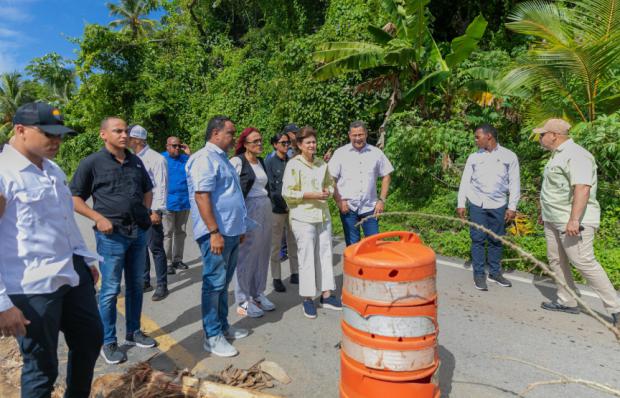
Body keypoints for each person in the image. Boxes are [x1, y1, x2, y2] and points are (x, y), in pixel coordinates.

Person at [0, 102, 103, 397]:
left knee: (89, 338)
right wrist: (2, 304)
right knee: (42, 367)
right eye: (48, 134)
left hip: (71, 273)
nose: (56, 141)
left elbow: (65, 220)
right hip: (32, 287)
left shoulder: (52, 169)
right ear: (20, 130)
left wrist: (84, 258)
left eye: (60, 135)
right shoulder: (5, 173)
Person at [71, 116, 157, 365]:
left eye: (125, 131)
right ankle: (108, 341)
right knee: (109, 290)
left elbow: (147, 189)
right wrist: (97, 217)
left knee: (135, 285)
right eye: (117, 131)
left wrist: (145, 210)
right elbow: (74, 198)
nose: (123, 135)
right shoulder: (92, 163)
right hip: (111, 237)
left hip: (138, 233)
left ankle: (133, 331)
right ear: (103, 135)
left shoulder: (135, 161)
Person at [535, 119, 619, 325]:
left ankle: (616, 308)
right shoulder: (557, 156)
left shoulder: (577, 155)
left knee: (583, 261)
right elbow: (555, 189)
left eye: (542, 134)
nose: (540, 138)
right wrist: (544, 213)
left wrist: (574, 219)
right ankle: (567, 300)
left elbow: (582, 188)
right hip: (553, 218)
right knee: (556, 260)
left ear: (554, 135)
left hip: (572, 220)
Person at [186, 115, 251, 357]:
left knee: (223, 284)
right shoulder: (204, 158)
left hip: (231, 232)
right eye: (230, 133)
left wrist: (239, 228)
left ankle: (223, 327)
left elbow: (230, 196)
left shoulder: (221, 158)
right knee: (213, 285)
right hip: (216, 234)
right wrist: (214, 232)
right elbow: (202, 196)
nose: (233, 137)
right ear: (215, 133)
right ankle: (212, 336)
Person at [282, 126, 342, 319]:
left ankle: (326, 294)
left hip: (322, 216)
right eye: (308, 142)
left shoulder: (321, 164)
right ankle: (307, 298)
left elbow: (330, 185)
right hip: (302, 217)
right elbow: (287, 193)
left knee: (325, 254)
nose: (312, 145)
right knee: (306, 257)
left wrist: (328, 192)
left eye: (314, 142)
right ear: (299, 145)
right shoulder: (294, 165)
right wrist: (311, 195)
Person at [457, 123, 520, 291]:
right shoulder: (474, 157)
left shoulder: (509, 156)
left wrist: (512, 207)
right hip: (477, 203)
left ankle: (494, 272)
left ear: (489, 136)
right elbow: (465, 181)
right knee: (477, 239)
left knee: (496, 240)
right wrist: (461, 203)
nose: (475, 140)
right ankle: (479, 274)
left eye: (478, 137)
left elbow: (515, 183)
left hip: (499, 204)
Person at [230, 127, 275, 317]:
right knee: (246, 254)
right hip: (248, 209)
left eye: (260, 140)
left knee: (263, 253)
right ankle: (243, 299)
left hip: (265, 208)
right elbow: (231, 191)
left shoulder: (262, 161)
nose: (259, 144)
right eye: (255, 141)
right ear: (245, 144)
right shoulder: (237, 162)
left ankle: (258, 292)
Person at [328, 120, 394, 246]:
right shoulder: (340, 153)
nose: (358, 138)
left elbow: (387, 175)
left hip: (370, 208)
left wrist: (381, 200)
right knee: (353, 246)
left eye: (360, 135)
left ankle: (372, 266)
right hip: (348, 208)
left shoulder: (376, 153)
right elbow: (331, 178)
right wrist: (338, 201)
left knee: (374, 244)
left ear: (366, 134)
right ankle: (354, 267)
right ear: (349, 135)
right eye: (354, 135)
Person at [127, 125, 169, 301]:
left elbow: (161, 186)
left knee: (156, 248)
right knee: (140, 247)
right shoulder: (131, 158)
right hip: (136, 211)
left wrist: (157, 211)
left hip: (151, 210)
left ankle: (162, 284)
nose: (125, 139)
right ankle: (145, 280)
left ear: (137, 139)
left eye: (128, 136)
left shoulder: (156, 159)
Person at [265, 132, 299, 293]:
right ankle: (276, 277)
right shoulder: (270, 162)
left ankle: (295, 272)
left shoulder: (291, 161)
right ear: (275, 145)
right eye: (283, 143)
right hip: (277, 209)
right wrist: (283, 205)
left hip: (292, 208)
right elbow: (271, 188)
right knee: (276, 244)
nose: (287, 145)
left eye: (288, 143)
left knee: (293, 242)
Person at [162, 136, 192, 273]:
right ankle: (167, 262)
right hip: (167, 202)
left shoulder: (185, 159)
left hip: (184, 202)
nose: (176, 148)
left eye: (179, 146)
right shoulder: (162, 159)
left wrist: (189, 154)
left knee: (181, 232)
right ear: (167, 146)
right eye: (173, 146)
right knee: (167, 233)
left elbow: (196, 169)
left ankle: (177, 260)